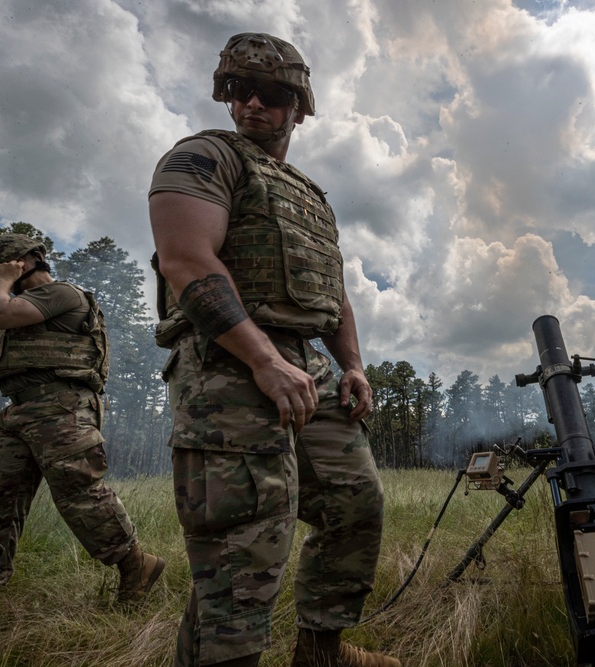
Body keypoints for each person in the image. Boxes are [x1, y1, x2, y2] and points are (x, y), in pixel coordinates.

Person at [148, 33, 398, 667]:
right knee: (243, 539)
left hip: (305, 363)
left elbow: (334, 291)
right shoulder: (204, 157)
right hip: (228, 362)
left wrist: (352, 366)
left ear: (300, 106)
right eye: (239, 90)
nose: (253, 104)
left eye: (273, 93)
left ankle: (321, 649)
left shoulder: (311, 196)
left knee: (354, 504)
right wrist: (262, 359)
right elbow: (186, 259)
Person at [0, 233, 165, 629]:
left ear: (24, 261)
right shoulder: (24, 306)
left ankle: (136, 565)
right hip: (20, 411)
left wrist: (3, 281)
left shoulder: (62, 294)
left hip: (61, 408)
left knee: (80, 496)